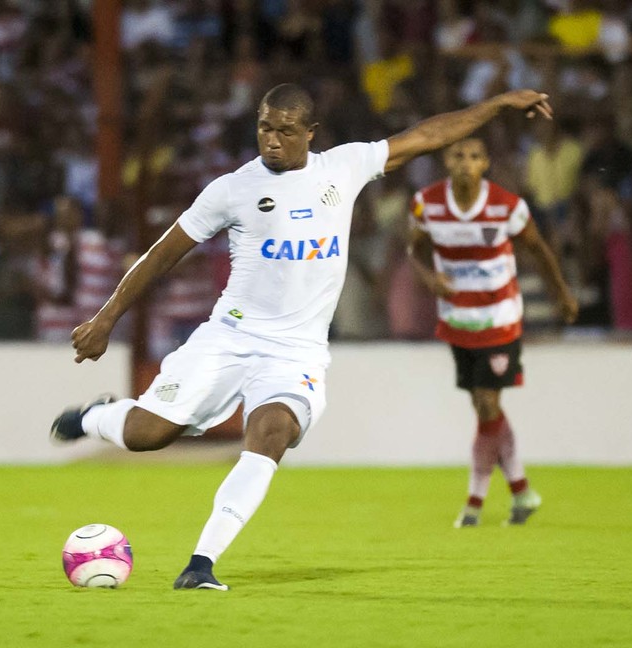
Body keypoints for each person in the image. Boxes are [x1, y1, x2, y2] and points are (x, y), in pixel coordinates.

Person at [51, 83, 554, 590]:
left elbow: (426, 135)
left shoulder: (344, 167)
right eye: (265, 128)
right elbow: (162, 252)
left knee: (270, 434)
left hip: (296, 353)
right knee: (146, 435)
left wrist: (495, 105)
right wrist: (106, 317)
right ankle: (98, 415)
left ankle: (200, 565)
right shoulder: (232, 189)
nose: (272, 140)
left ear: (309, 134)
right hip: (229, 337)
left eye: (286, 131)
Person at [407, 137, 578, 528]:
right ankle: (521, 491)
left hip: (500, 319)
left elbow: (539, 249)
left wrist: (561, 293)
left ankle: (474, 502)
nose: (465, 162)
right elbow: (412, 249)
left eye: (474, 156)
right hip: (457, 321)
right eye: (457, 155)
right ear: (446, 162)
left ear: (485, 164)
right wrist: (429, 277)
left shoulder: (507, 206)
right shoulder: (426, 204)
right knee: (486, 409)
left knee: (486, 404)